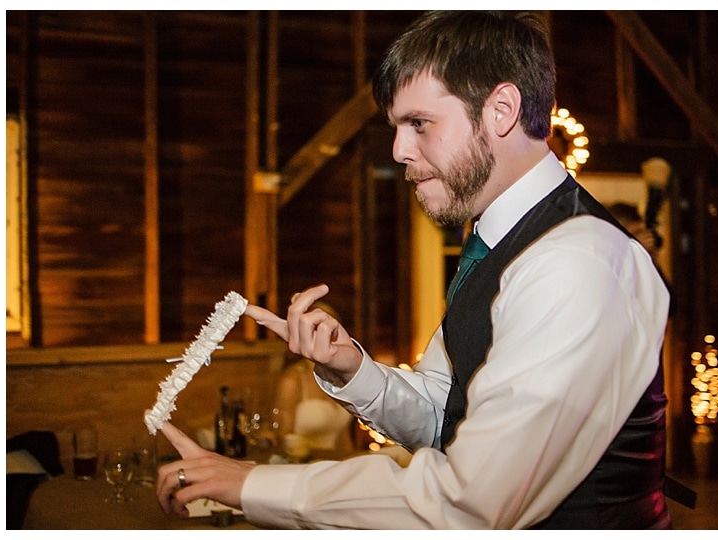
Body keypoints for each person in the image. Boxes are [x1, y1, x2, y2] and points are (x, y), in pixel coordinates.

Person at [154, 11, 671, 529]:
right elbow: (446, 415)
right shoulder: (497, 244)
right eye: (397, 128)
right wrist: (352, 370)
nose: (400, 151)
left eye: (419, 123)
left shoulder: (576, 263)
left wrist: (252, 483)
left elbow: (468, 503)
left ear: (502, 110)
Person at [272, 301, 356, 459]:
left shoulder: (341, 377)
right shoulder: (292, 380)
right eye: (318, 328)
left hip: (336, 466)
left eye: (332, 328)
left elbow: (343, 439)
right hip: (302, 466)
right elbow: (283, 441)